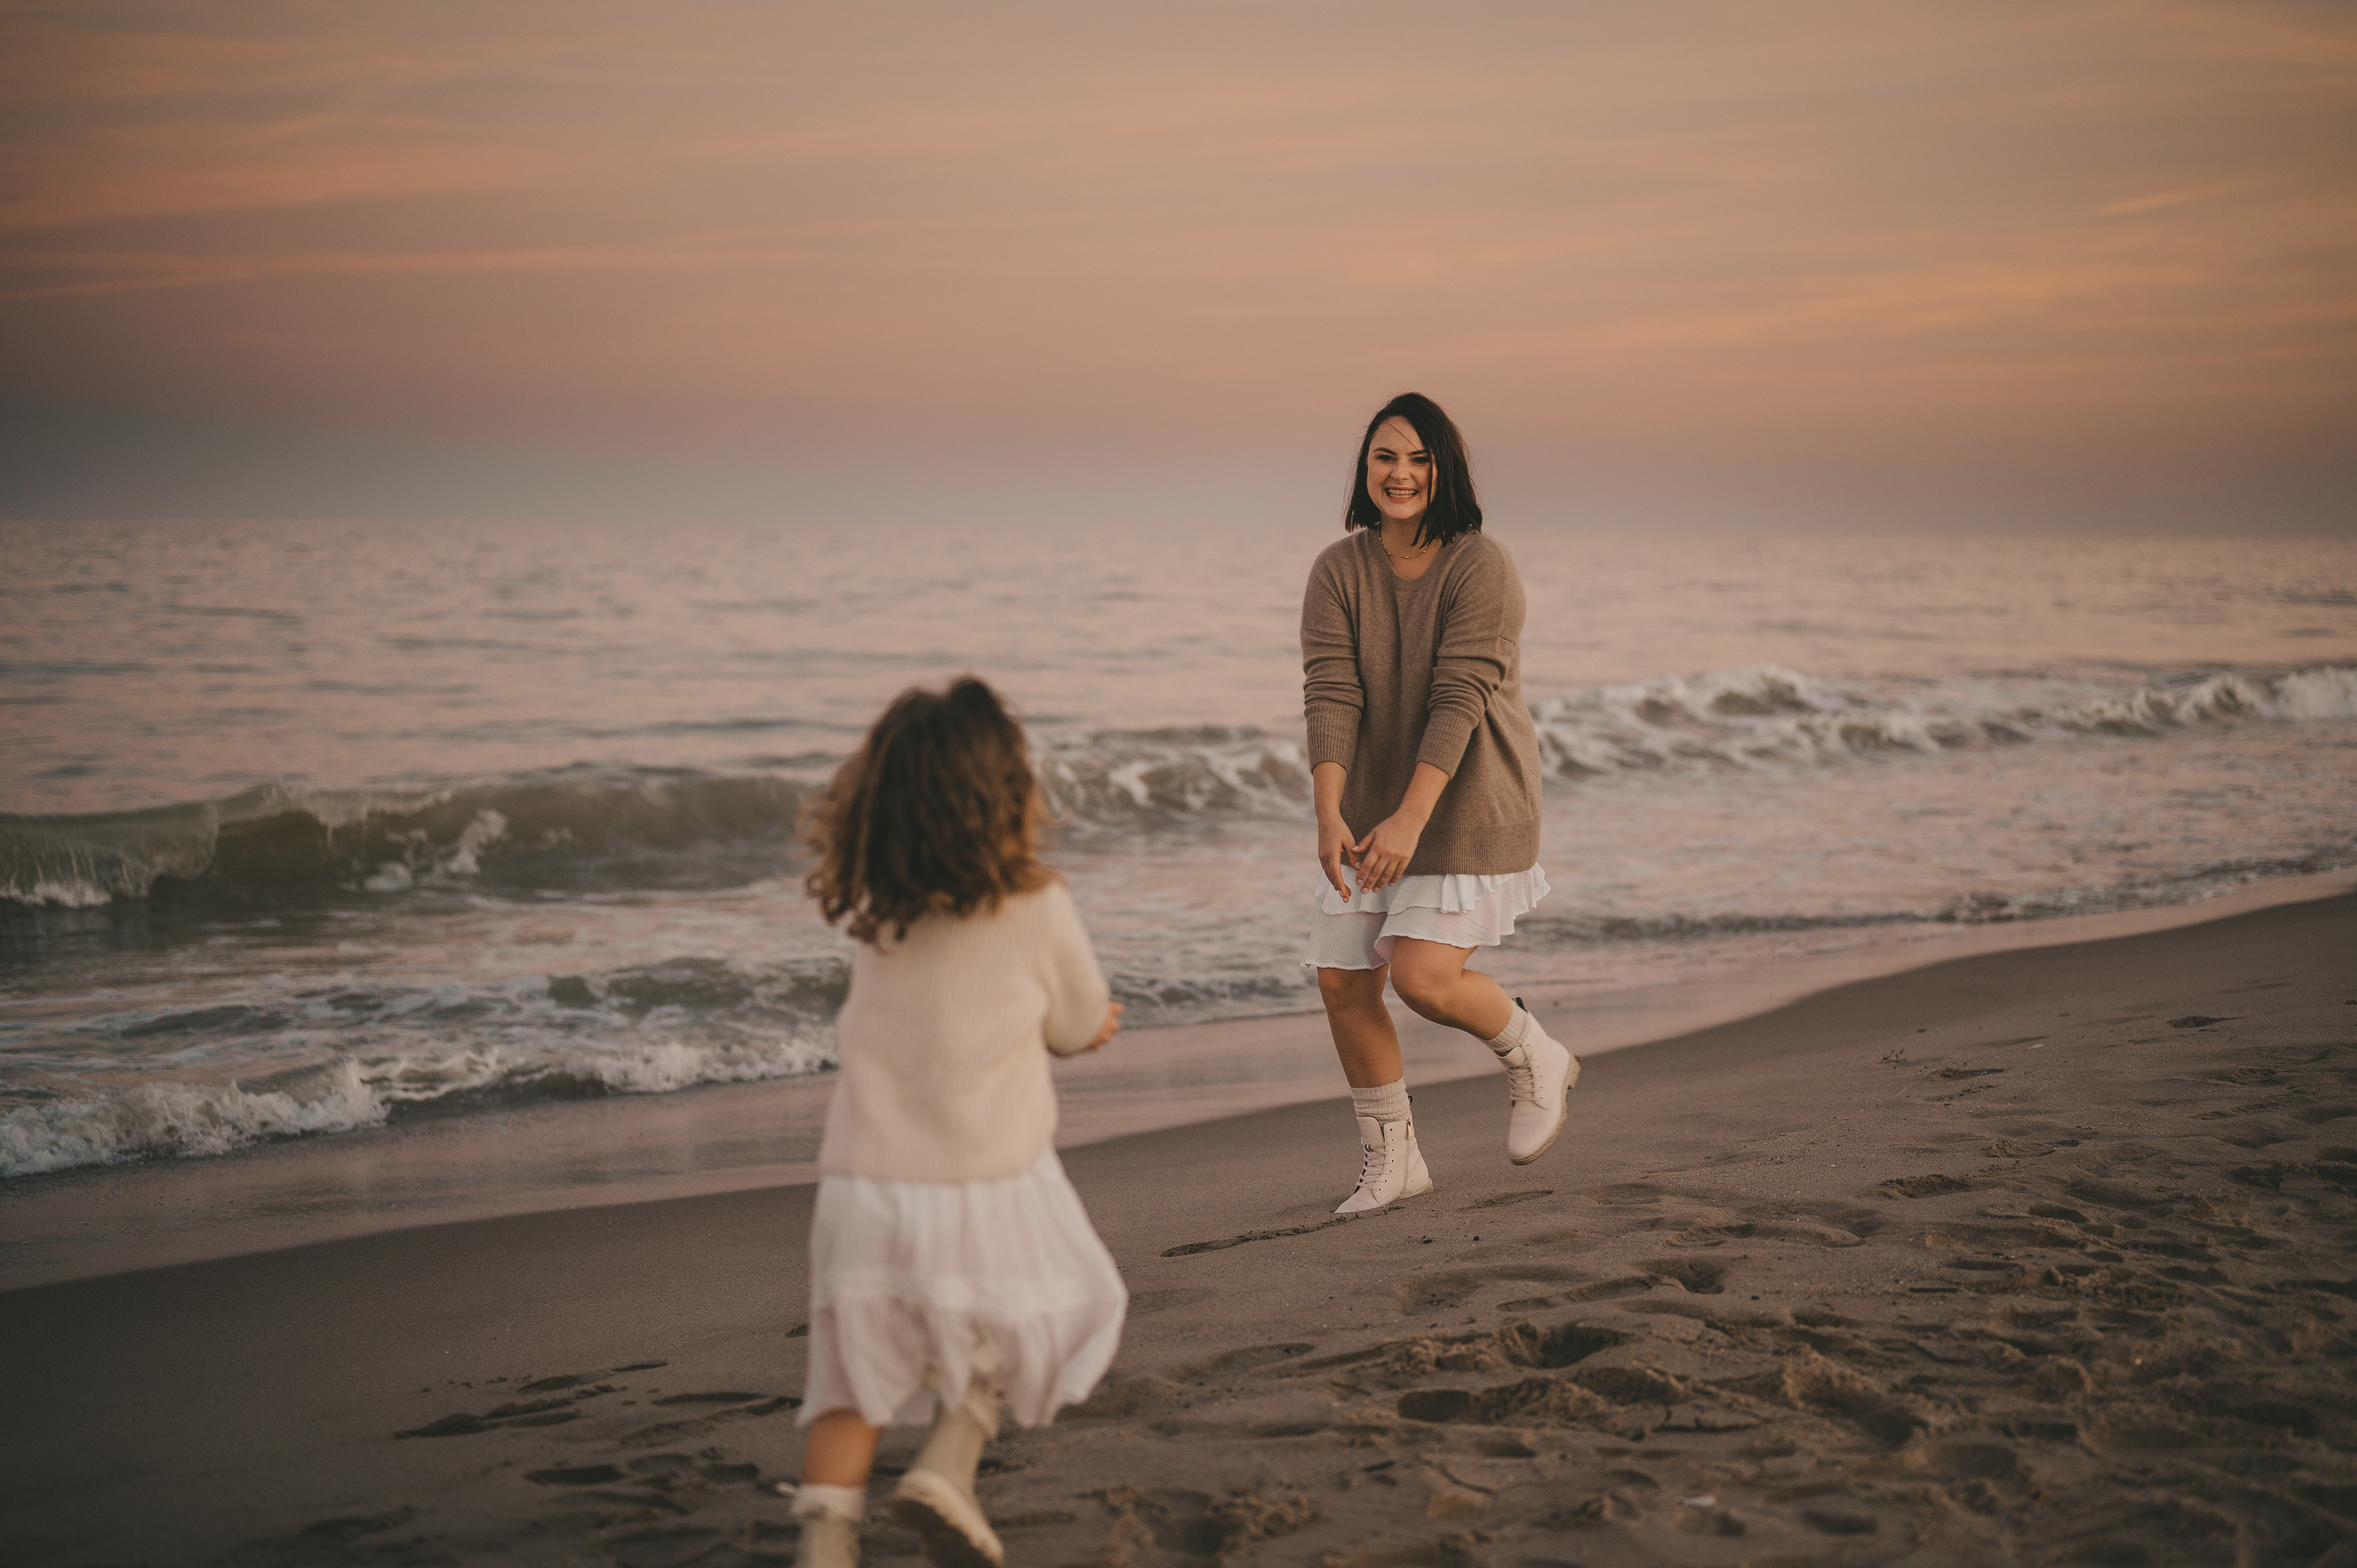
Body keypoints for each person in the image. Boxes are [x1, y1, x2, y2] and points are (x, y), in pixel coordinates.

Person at [788, 677, 1127, 1568]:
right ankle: (947, 1461)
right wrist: (1092, 1027)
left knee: (850, 1384)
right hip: (985, 1180)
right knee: (1047, 1308)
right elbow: (1072, 1022)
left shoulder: (880, 914)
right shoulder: (1036, 904)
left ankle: (824, 1545)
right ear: (1006, 796)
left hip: (860, 1185)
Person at [1300, 391, 1577, 1214]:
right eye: (1386, 456)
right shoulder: (1337, 570)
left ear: (1444, 469)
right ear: (1365, 467)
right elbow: (1331, 693)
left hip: (1468, 801)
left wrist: (1410, 820)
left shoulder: (1481, 565)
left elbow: (1460, 699)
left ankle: (1536, 1056)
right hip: (1374, 805)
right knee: (1344, 980)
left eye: (1419, 459)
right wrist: (1329, 813)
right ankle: (1395, 1161)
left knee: (1422, 977)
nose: (1401, 474)